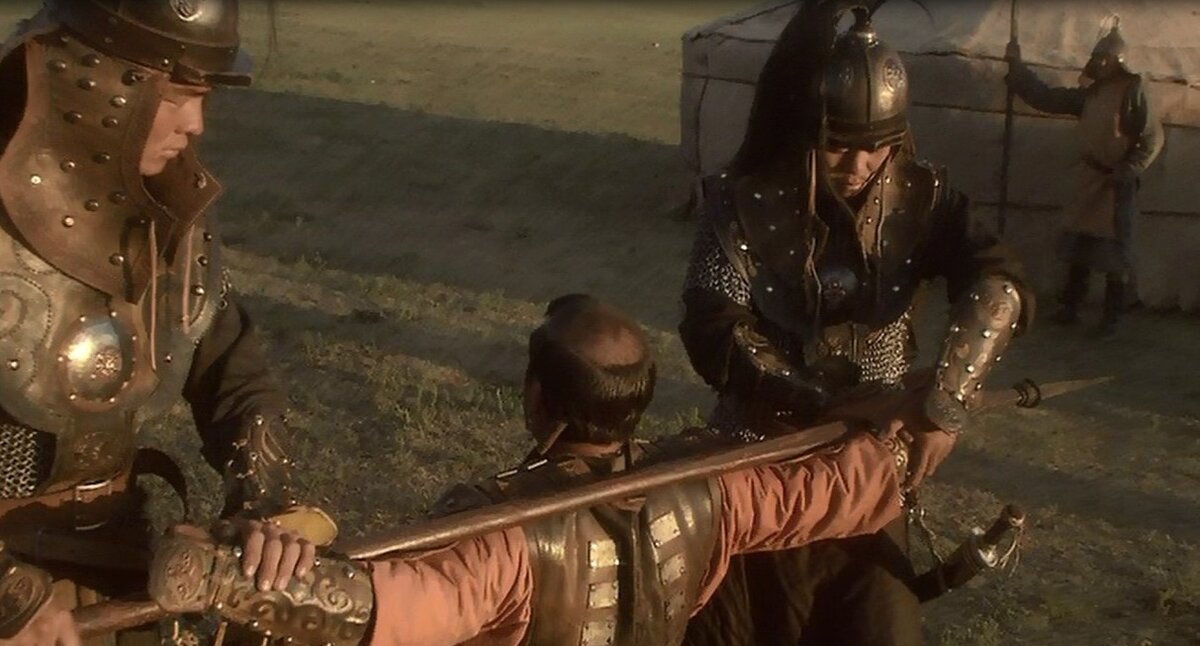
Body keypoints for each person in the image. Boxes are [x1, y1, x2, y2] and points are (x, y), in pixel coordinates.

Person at [151, 294, 909, 646]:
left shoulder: (505, 539)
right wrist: (902, 439)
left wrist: (229, 579)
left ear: (538, 397)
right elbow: (829, 492)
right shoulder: (717, 489)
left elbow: (386, 609)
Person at [677, 3, 1032, 645]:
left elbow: (998, 284)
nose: (859, 163)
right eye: (839, 144)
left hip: (868, 470)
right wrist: (826, 402)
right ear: (805, 130)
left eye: (877, 145)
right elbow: (714, 328)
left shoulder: (922, 197)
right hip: (758, 463)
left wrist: (945, 404)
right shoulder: (742, 199)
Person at [0, 2, 334, 644]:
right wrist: (8, 597)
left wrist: (261, 507)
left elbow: (235, 379)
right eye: (178, 96)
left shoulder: (169, 215)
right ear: (95, 82)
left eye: (203, 97)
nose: (195, 124)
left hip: (120, 563)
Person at [1006, 19, 1163, 336]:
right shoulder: (1091, 94)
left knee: (1115, 252)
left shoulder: (1134, 91)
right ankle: (1070, 307)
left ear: (1119, 61)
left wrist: (1128, 169)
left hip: (1117, 183)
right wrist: (1017, 68)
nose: (1100, 63)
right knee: (1079, 243)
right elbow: (1048, 98)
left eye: (1106, 58)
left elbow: (1152, 138)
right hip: (1090, 179)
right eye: (1097, 58)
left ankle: (1111, 318)